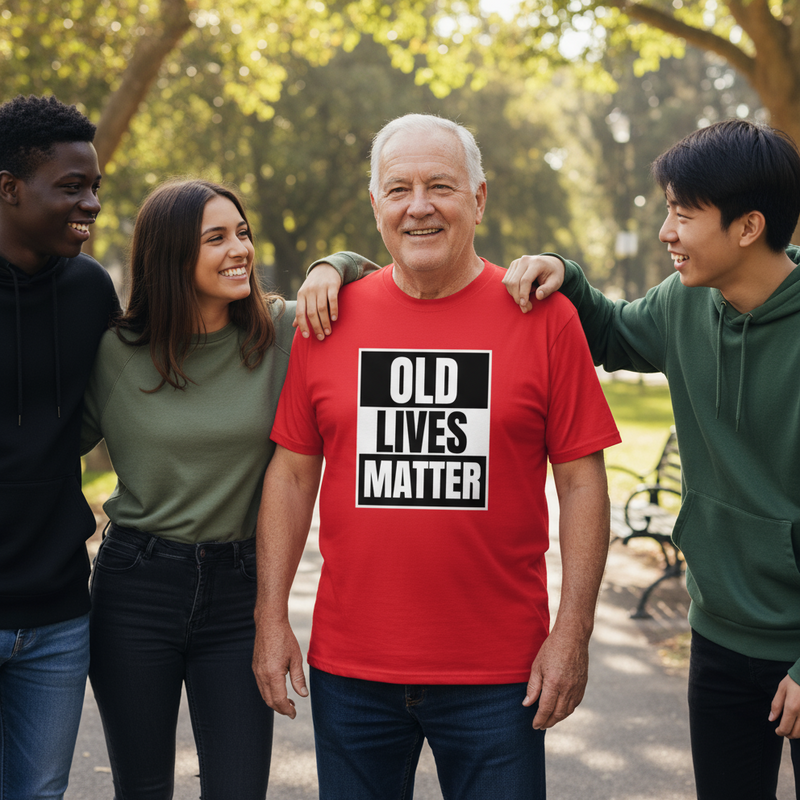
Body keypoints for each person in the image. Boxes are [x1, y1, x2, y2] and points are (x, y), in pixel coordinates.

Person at [252, 113, 621, 800]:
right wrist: (269, 620)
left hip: (500, 675)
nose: (419, 206)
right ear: (376, 206)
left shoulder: (544, 317)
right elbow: (294, 472)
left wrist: (573, 631)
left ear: (479, 198)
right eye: (399, 189)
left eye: (441, 186)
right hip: (352, 671)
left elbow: (580, 482)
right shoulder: (326, 320)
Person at [502, 118, 800, 800]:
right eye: (667, 211)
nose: (668, 231)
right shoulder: (684, 304)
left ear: (748, 227)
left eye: (683, 215)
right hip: (721, 631)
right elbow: (610, 333)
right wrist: (564, 276)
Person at [80, 178, 374, 799]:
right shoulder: (115, 351)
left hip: (243, 592)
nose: (239, 248)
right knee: (142, 788)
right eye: (216, 237)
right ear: (169, 255)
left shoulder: (284, 333)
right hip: (136, 585)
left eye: (242, 233)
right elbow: (43, 452)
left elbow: (383, 280)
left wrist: (333, 265)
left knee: (239, 788)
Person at [0, 94, 117, 800]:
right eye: (71, 187)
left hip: (58, 614)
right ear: (9, 189)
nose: (92, 204)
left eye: (96, 187)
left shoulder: (89, 291)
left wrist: (336, 264)